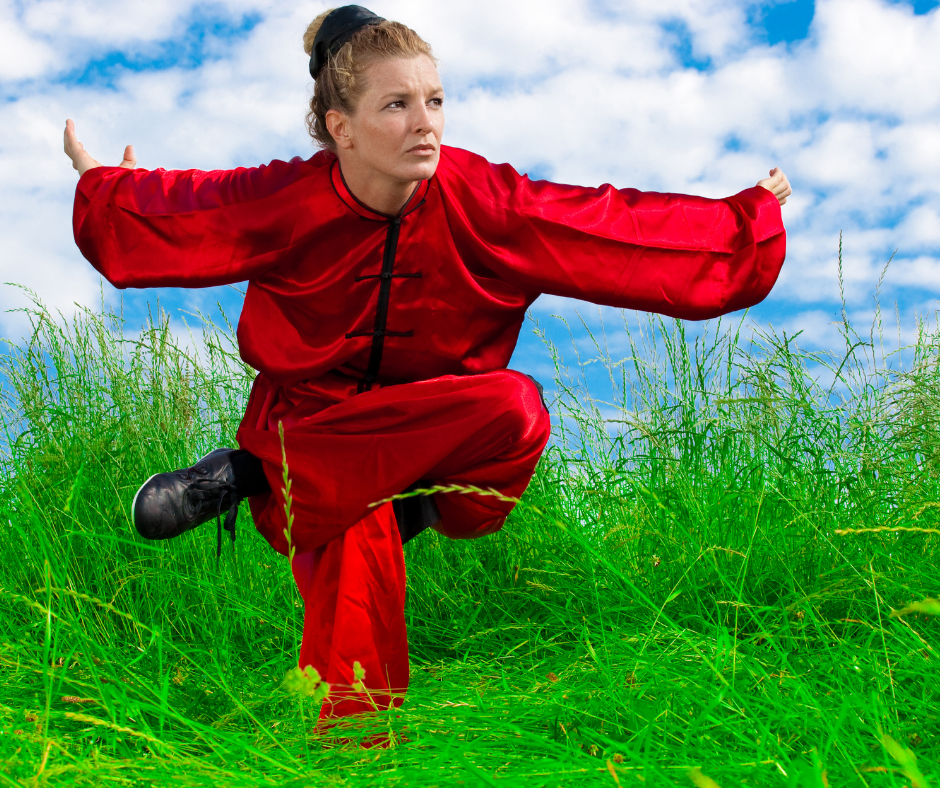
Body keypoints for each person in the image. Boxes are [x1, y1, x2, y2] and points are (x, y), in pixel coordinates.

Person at [64, 5, 791, 724]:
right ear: (338, 127)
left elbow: (613, 230)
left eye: (435, 101)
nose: (426, 123)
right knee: (357, 533)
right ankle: (354, 760)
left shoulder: (484, 200)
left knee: (514, 409)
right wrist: (108, 191)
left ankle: (246, 472)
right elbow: (184, 215)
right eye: (397, 104)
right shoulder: (285, 200)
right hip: (313, 428)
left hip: (429, 456)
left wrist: (744, 221)